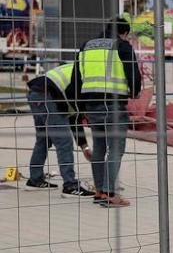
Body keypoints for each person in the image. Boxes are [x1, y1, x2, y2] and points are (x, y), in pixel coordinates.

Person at [71, 18, 141, 208]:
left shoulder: (86, 46)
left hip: (91, 105)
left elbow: (76, 77)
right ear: (124, 33)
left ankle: (100, 191)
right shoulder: (122, 46)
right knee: (116, 149)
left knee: (100, 148)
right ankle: (111, 194)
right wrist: (135, 92)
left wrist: (80, 105)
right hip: (114, 104)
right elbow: (133, 74)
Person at [25, 62, 94, 197]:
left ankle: (35, 179)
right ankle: (70, 186)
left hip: (36, 93)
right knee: (64, 142)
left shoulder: (83, 71)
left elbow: (75, 120)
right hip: (47, 96)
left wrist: (84, 147)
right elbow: (76, 118)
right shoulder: (87, 82)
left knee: (43, 140)